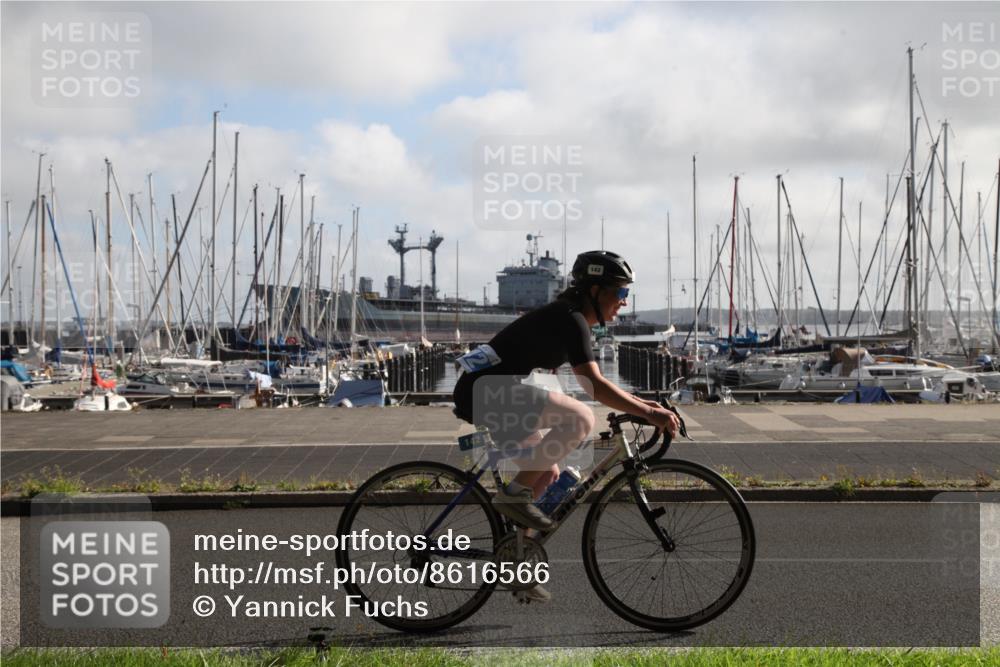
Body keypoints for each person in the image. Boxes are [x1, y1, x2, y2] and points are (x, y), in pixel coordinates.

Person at [453, 250, 680, 538]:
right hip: (488, 392)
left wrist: (640, 403)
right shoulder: (570, 320)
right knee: (580, 417)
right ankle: (513, 497)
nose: (624, 300)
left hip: (486, 391)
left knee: (546, 475)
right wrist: (649, 413)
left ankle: (514, 559)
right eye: (621, 290)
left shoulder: (569, 316)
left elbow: (593, 382)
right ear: (596, 291)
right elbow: (593, 386)